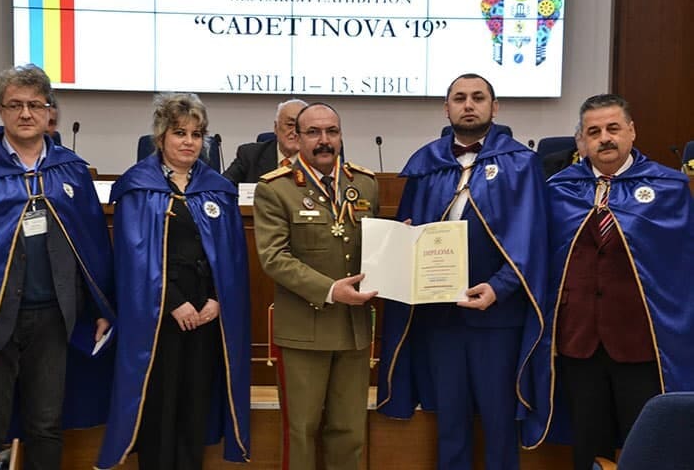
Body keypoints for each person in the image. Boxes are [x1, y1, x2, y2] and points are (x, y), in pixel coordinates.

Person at [377, 73, 551, 470]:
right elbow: (408, 231)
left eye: (478, 97)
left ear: (494, 106)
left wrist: (500, 288)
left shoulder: (521, 163)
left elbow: (532, 239)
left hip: (497, 318)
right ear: (447, 108)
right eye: (459, 98)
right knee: (450, 425)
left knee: (499, 424)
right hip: (440, 317)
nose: (468, 105)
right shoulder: (427, 164)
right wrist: (403, 240)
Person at [0, 64, 114, 470]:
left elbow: (92, 244)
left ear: (49, 111)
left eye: (35, 105)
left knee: (46, 423)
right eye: (15, 105)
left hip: (53, 318)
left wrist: (100, 306)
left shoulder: (70, 169)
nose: (25, 113)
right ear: (0, 111)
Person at [97, 93, 251, 469]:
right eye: (179, 133)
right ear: (161, 136)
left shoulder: (218, 189)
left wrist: (215, 299)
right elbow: (134, 258)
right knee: (160, 404)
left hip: (205, 314)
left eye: (197, 134)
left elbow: (230, 256)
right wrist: (173, 301)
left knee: (195, 401)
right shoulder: (138, 186)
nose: (188, 142)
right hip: (158, 316)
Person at [545, 94, 694, 470]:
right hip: (579, 341)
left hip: (641, 341)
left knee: (646, 448)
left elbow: (682, 265)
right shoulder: (558, 189)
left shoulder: (670, 187)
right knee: (587, 448)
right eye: (593, 132)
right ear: (581, 140)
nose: (604, 138)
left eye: (613, 128)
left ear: (631, 131)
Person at [253, 102, 379, 470]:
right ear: (296, 138)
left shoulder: (364, 183)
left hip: (354, 330)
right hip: (304, 330)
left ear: (340, 136)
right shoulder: (275, 188)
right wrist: (330, 290)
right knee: (302, 432)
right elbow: (274, 258)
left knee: (349, 432)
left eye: (331, 132)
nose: (324, 140)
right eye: (313, 132)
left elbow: (369, 248)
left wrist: (394, 245)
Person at [223, 98, 307, 184]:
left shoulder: (314, 159)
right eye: (290, 124)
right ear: (276, 127)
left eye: (301, 126)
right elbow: (223, 186)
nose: (295, 132)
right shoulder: (250, 155)